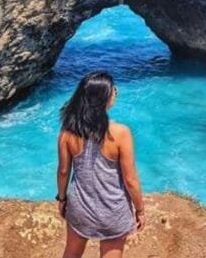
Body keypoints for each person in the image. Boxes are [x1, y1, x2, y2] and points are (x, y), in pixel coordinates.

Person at [57, 71, 145, 258]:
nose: (116, 92)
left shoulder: (67, 133)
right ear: (104, 97)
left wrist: (62, 199)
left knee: (71, 252)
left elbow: (64, 171)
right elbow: (130, 180)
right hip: (113, 210)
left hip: (80, 207)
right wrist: (140, 210)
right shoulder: (121, 133)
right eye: (114, 90)